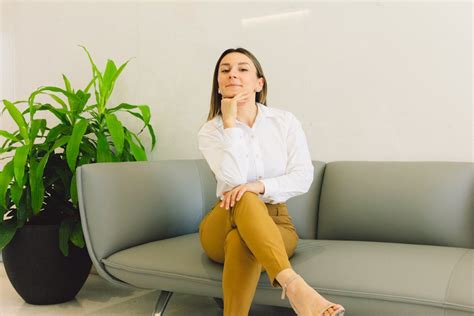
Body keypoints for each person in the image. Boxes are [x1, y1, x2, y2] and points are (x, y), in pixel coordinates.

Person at [197, 47, 346, 316]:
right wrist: (230, 123)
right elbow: (233, 181)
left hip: (278, 223)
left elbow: (303, 177)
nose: (233, 75)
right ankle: (294, 286)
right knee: (243, 199)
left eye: (243, 69)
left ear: (259, 83)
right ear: (218, 85)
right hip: (223, 218)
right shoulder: (211, 131)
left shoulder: (284, 122)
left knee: (242, 241)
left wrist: (259, 186)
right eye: (225, 70)